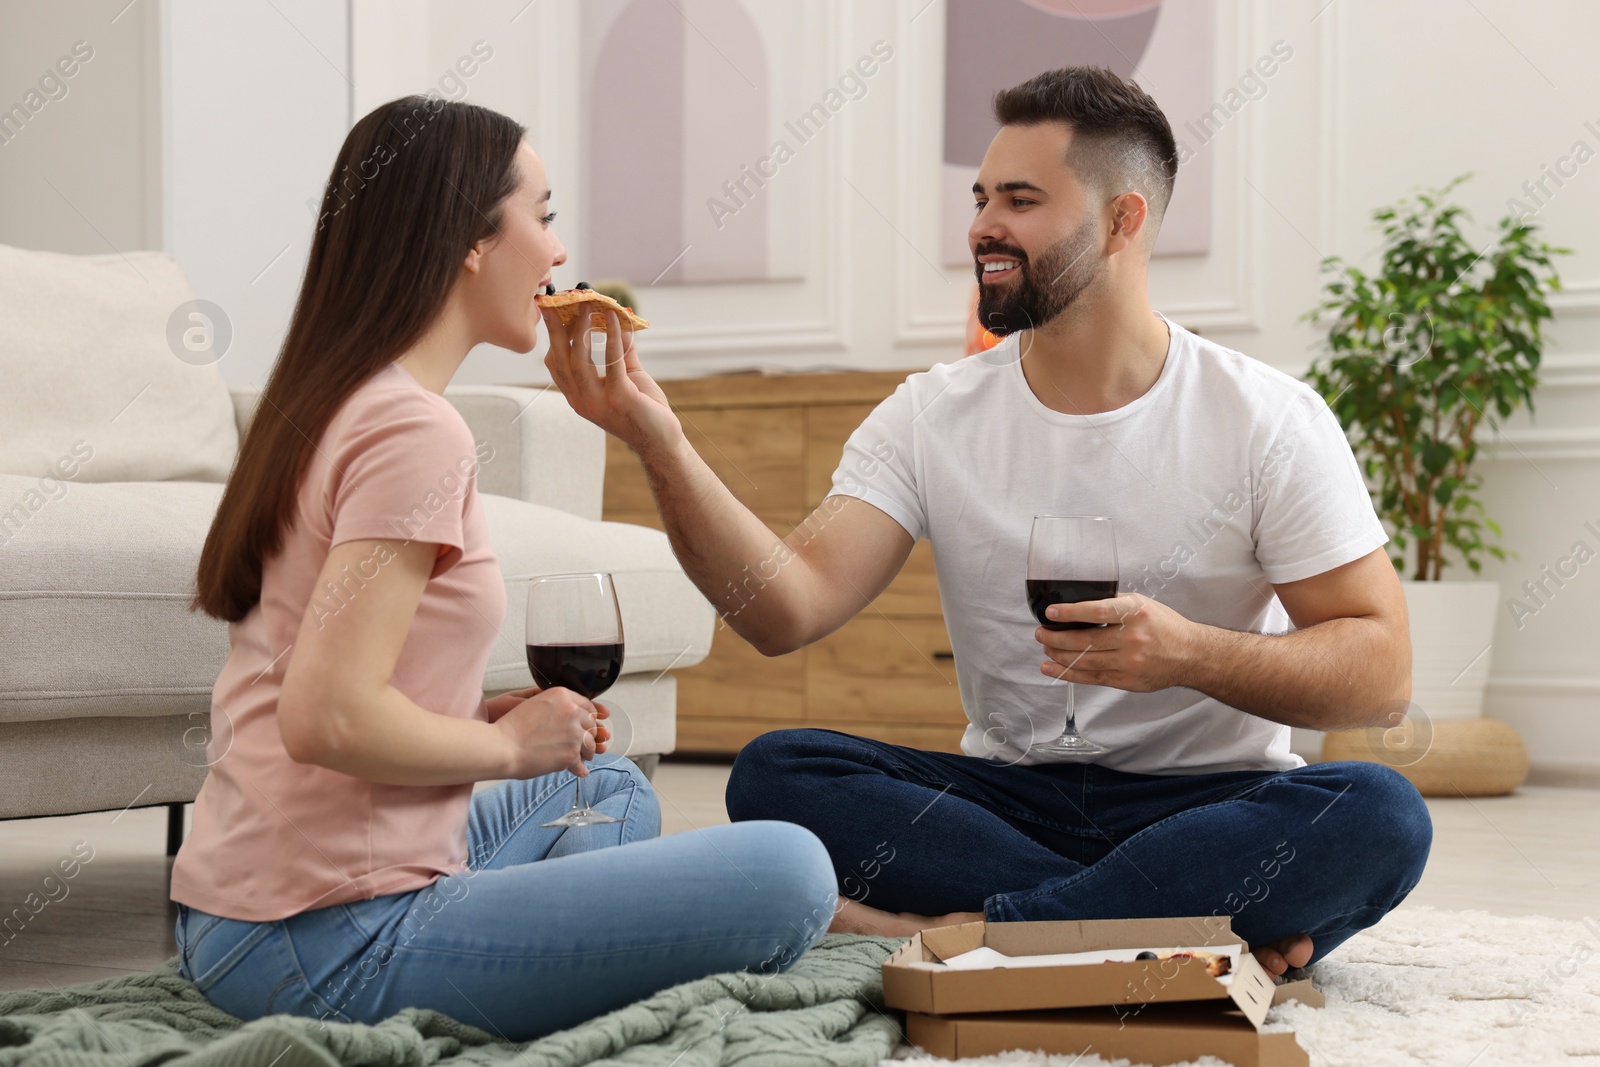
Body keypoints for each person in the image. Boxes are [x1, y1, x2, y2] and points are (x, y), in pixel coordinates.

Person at [542, 66, 1432, 978]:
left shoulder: (1267, 419)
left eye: (1020, 198)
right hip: (1010, 800)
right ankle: (1158, 923)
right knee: (778, 770)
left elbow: (1380, 677)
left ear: (1122, 221)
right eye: (979, 198)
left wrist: (1189, 654)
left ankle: (967, 931)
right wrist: (658, 440)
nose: (980, 227)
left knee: (1381, 814)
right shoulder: (933, 414)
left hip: (1211, 803)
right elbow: (783, 611)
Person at [170, 96, 836, 1043]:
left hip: (238, 906)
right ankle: (496, 935)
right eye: (546, 214)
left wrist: (472, 718)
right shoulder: (414, 430)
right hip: (326, 936)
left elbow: (320, 666)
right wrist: (505, 750)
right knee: (792, 872)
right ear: (470, 239)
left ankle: (508, 925)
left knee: (608, 790)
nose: (560, 254)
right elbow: (324, 714)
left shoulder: (336, 398)